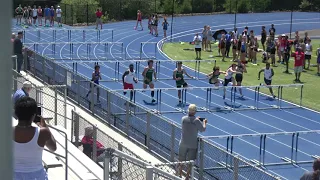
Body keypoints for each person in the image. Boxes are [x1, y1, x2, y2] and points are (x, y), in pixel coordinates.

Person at [13, 97, 57, 180]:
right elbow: (53, 148)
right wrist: (45, 127)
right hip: (36, 176)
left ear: (16, 113)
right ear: (34, 115)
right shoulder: (42, 132)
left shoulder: (6, 132)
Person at [177, 104, 207, 179]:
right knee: (190, 162)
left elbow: (190, 121)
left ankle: (179, 175)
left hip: (183, 143)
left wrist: (196, 119)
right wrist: (204, 122)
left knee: (181, 160)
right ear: (195, 111)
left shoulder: (183, 118)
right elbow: (203, 129)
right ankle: (187, 177)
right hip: (192, 144)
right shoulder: (196, 121)